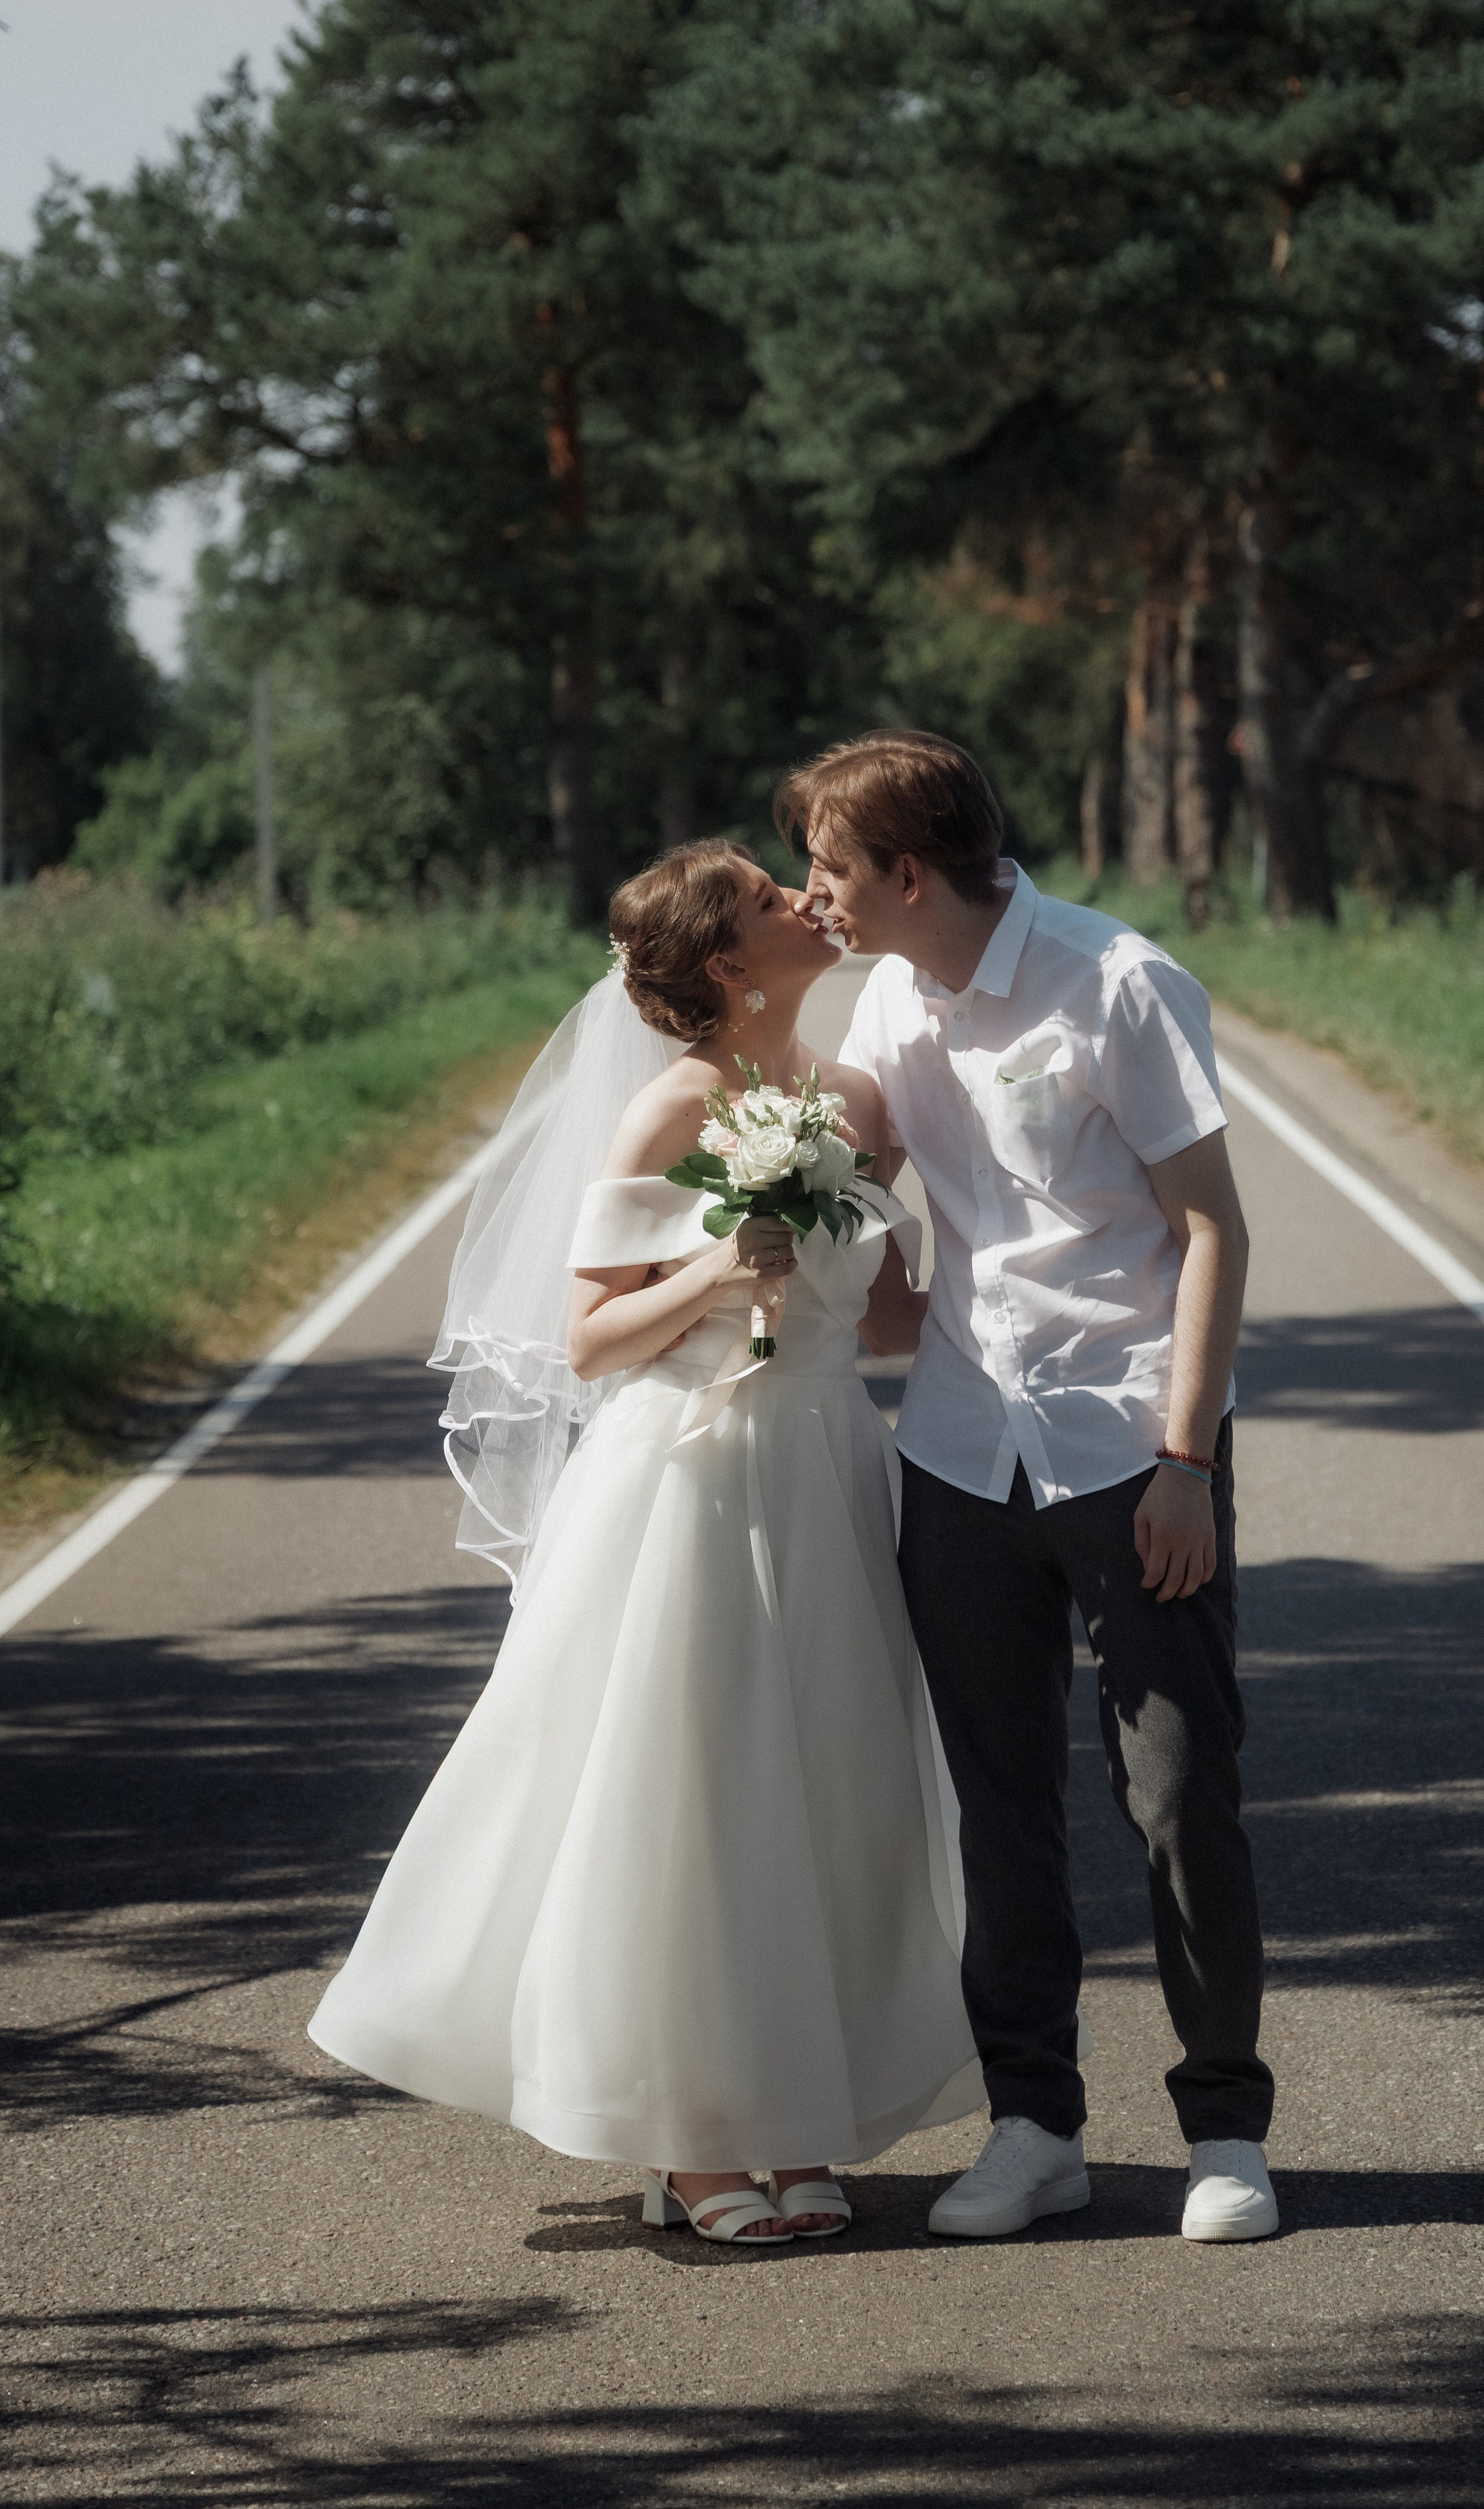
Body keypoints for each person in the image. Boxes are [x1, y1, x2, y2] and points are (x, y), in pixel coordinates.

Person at [309, 839, 982, 2246]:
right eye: (760, 893)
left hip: (829, 1471)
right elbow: (589, 1339)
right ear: (727, 967)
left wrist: (1000, 1255)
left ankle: (798, 2116)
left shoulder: (853, 1102)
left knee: (822, 1789)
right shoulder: (669, 1112)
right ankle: (686, 2140)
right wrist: (715, 1268)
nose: (801, 896)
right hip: (690, 1477)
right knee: (695, 1797)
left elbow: (892, 1320)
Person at [790, 730, 1278, 2244]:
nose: (816, 891)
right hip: (954, 1448)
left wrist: (1187, 1461)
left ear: (906, 871)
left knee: (1178, 1791)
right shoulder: (885, 988)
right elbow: (836, 1158)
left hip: (1130, 1449)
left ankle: (1224, 2134)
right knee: (997, 1806)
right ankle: (1035, 2125)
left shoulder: (1117, 982)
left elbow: (1211, 1230)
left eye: (828, 866)